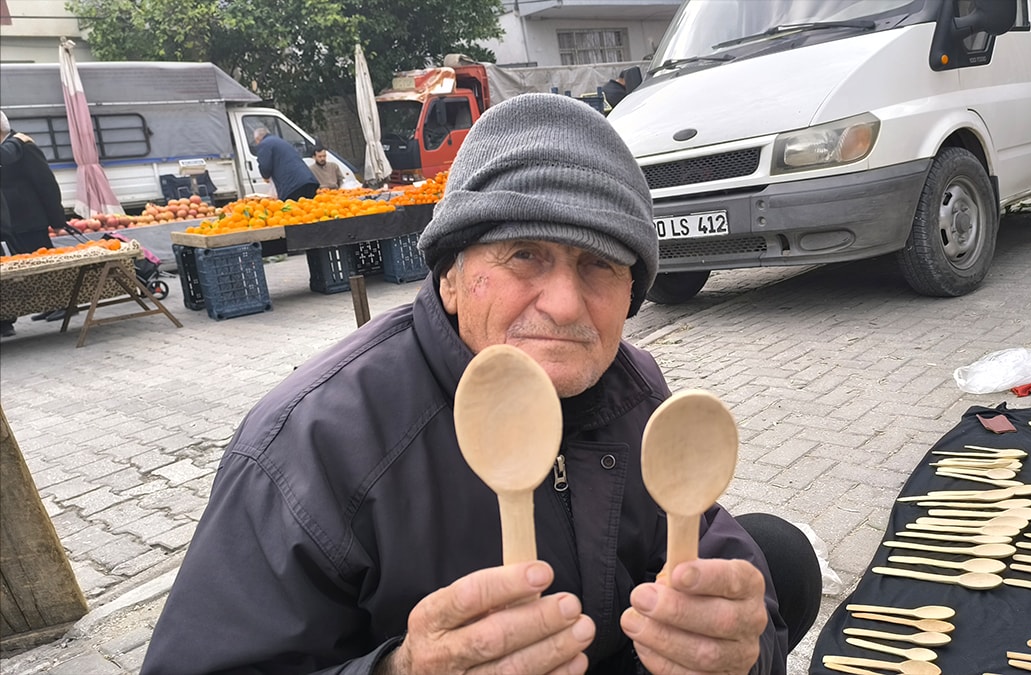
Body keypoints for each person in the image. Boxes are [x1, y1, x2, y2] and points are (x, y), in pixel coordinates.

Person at [143, 94, 821, 674]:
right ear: (450, 276)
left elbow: (715, 567)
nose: (565, 304)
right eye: (525, 253)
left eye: (599, 264)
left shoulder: (632, 390)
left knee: (777, 559)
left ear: (632, 291)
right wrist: (398, 669)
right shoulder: (311, 445)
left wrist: (742, 646)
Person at [1, 111, 70, 337]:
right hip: (11, 222)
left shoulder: (23, 146)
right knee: (25, 267)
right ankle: (47, 304)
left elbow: (45, 183)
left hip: (29, 218)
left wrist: (57, 219)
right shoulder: (8, 148)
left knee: (44, 262)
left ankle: (64, 303)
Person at [253, 127, 319, 201]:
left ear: (257, 139)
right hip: (308, 181)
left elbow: (265, 166)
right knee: (308, 206)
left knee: (293, 207)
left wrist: (265, 176)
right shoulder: (280, 141)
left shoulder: (264, 144)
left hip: (292, 186)